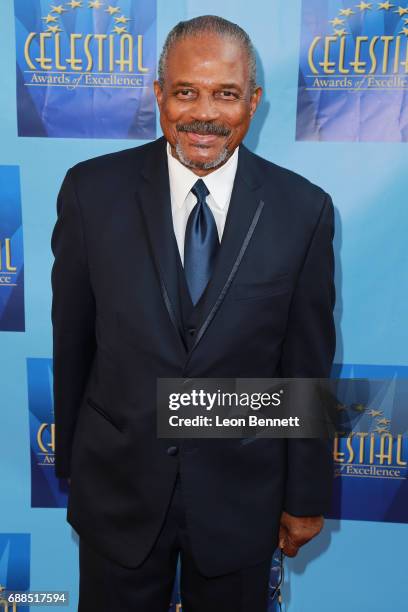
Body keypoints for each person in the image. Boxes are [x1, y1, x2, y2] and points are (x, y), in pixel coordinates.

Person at [51, 15, 335, 612]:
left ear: (253, 102)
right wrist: (77, 463)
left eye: (225, 94)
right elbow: (71, 342)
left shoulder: (302, 210)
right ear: (159, 94)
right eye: (186, 92)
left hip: (241, 495)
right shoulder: (90, 192)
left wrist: (305, 493)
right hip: (119, 489)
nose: (204, 113)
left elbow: (305, 364)